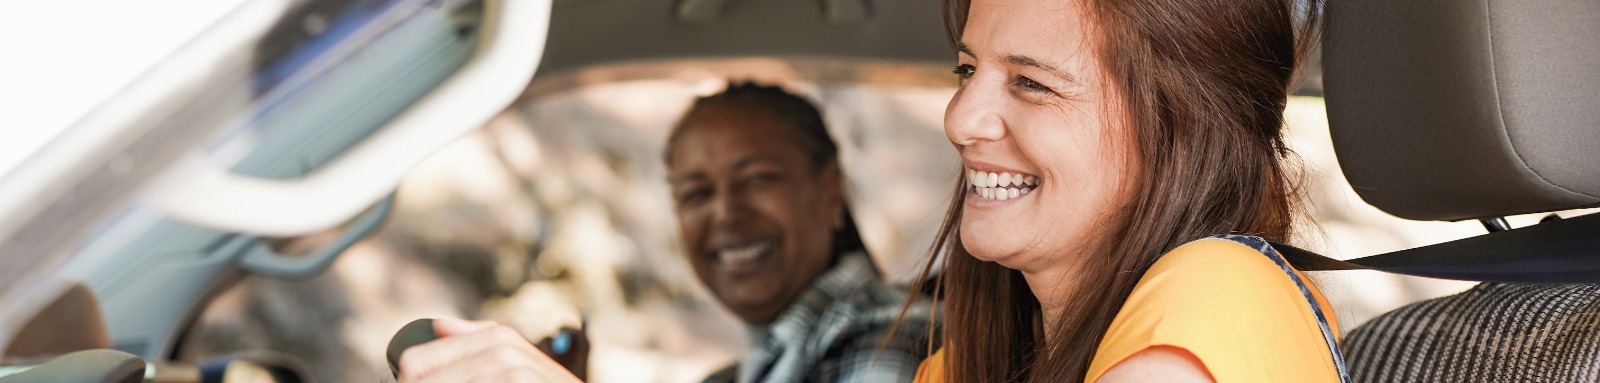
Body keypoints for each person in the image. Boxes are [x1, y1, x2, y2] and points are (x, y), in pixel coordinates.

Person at [908, 0, 1341, 382]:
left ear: (1178, 127)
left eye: (1032, 83)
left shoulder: (1206, 304)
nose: (960, 120)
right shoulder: (968, 359)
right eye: (967, 69)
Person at [395, 82, 934, 383]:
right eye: (696, 194)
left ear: (830, 191)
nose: (724, 214)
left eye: (756, 181)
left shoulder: (893, 332)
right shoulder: (747, 371)